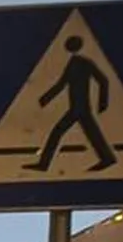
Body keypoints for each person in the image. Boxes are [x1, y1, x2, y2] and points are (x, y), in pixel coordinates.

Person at [33, 34, 117, 172]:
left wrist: (102, 103)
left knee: (57, 132)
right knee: (91, 134)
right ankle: (107, 158)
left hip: (79, 108)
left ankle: (44, 164)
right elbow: (62, 84)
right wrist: (45, 99)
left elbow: (103, 80)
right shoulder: (75, 63)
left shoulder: (81, 63)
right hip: (78, 107)